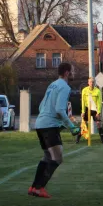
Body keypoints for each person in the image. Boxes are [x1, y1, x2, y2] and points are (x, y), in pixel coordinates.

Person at [28, 62, 81, 198]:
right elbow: (59, 110)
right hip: (49, 126)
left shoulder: (52, 84)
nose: (74, 73)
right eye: (73, 71)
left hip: (40, 124)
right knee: (57, 158)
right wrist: (72, 127)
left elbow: (41, 106)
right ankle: (39, 188)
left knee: (47, 156)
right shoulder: (64, 87)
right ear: (67, 73)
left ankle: (34, 187)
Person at [77, 77, 103, 144]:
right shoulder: (84, 90)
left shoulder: (98, 91)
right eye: (90, 82)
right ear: (88, 83)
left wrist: (98, 112)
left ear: (94, 83)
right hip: (87, 108)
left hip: (95, 109)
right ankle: (77, 140)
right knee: (83, 124)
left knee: (98, 123)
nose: (92, 83)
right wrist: (83, 111)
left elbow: (99, 102)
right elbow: (83, 101)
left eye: (93, 82)